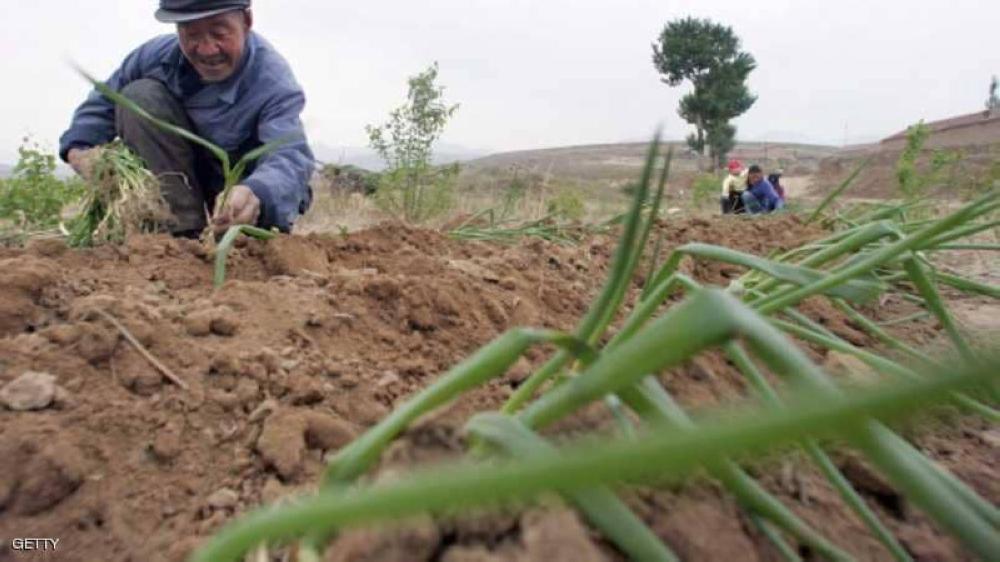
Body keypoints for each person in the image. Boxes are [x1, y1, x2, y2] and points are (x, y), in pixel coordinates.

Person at [59, 0, 314, 236]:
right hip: (183, 175)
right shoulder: (156, 56)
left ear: (246, 22)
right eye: (191, 35)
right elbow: (103, 103)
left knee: (248, 225)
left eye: (219, 33)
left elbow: (289, 156)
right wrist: (80, 150)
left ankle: (244, 230)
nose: (206, 49)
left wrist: (257, 192)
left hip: (239, 189)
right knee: (140, 96)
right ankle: (179, 235)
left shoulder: (273, 82)